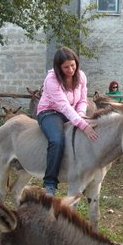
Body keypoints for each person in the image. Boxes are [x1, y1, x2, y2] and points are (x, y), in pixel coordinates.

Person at [37, 47, 98, 196]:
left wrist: (81, 114)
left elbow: (83, 100)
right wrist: (83, 125)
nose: (71, 69)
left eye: (73, 65)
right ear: (58, 67)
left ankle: (83, 174)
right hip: (50, 112)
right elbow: (63, 106)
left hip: (70, 111)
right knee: (57, 140)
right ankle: (50, 184)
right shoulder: (51, 80)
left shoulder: (81, 76)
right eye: (66, 67)